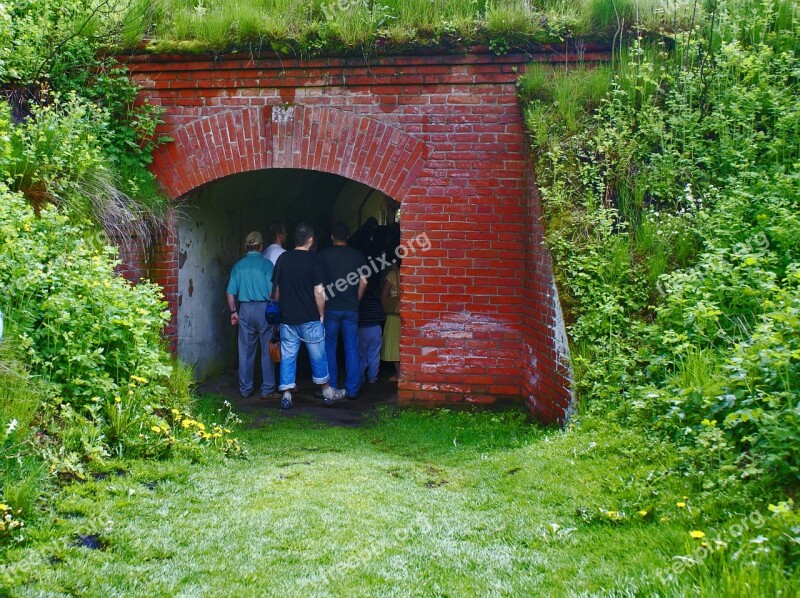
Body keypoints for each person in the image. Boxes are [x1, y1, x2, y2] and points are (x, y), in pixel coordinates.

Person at [272, 223, 345, 409]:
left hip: (288, 318)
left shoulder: (283, 258)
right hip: (310, 316)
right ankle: (327, 392)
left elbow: (276, 291)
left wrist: (281, 309)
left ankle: (287, 395)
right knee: (318, 356)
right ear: (310, 240)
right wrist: (321, 314)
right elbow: (319, 291)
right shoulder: (314, 260)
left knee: (288, 356)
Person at [226, 231, 278, 399]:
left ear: (246, 247)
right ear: (261, 247)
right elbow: (274, 291)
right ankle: (268, 388)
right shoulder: (267, 265)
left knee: (246, 350)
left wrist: (234, 312)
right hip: (264, 310)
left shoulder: (238, 266)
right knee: (267, 349)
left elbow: (230, 293)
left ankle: (245, 389)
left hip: (245, 309)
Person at [319, 222, 368, 399]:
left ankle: (331, 386)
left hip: (330, 307)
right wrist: (356, 299)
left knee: (329, 347)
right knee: (351, 348)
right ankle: (352, 389)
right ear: (348, 236)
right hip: (351, 308)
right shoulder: (358, 256)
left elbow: (319, 284)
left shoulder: (323, 255)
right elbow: (364, 282)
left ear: (332, 236)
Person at [358, 266, 385, 385]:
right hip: (375, 328)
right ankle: (373, 378)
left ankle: (360, 377)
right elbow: (381, 315)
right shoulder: (376, 300)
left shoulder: (359, 301)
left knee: (361, 355)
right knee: (374, 355)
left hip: (362, 329)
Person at [380, 234, 401, 381]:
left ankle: (398, 373)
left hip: (393, 315)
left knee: (393, 345)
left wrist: (383, 309)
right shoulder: (410, 273)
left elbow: (383, 296)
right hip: (406, 314)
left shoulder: (392, 274)